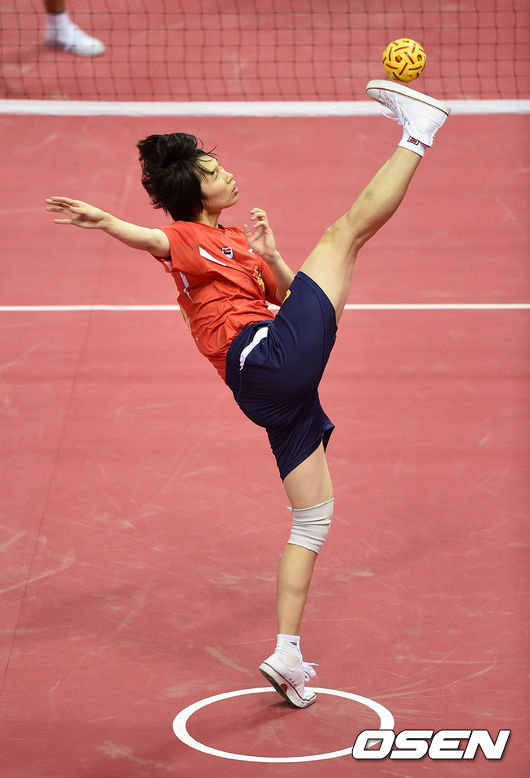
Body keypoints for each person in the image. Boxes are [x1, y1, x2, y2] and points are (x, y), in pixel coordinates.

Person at [46, 80, 450, 708]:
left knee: (312, 520)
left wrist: (273, 255)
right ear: (194, 194)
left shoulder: (237, 241)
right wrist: (105, 222)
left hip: (267, 392)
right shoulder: (186, 237)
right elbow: (151, 239)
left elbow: (289, 295)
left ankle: (286, 654)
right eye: (213, 173)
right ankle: (419, 132)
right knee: (343, 235)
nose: (227, 174)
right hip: (263, 359)